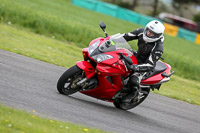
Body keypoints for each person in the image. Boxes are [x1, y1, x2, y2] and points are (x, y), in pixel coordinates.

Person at [122, 20, 165, 102]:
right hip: (137, 56)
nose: (148, 33)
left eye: (152, 33)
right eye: (148, 30)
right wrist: (110, 40)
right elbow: (125, 37)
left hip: (145, 66)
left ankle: (133, 94)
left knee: (134, 79)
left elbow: (150, 65)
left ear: (157, 35)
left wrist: (135, 67)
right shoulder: (141, 32)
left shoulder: (158, 47)